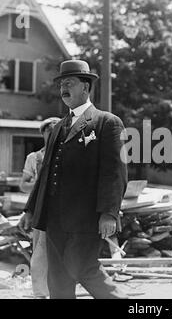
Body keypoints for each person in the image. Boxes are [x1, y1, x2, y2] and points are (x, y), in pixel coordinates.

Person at [19, 60, 128, 299]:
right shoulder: (58, 126)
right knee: (58, 277)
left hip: (85, 218)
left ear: (86, 88)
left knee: (85, 269)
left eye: (69, 83)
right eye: (61, 84)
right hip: (54, 219)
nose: (63, 89)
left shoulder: (107, 122)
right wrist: (30, 210)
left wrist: (109, 213)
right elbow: (46, 172)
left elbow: (115, 172)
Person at [20, 117, 60, 299]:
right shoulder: (35, 157)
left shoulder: (67, 156)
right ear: (43, 134)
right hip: (40, 209)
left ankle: (58, 290)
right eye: (48, 131)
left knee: (61, 251)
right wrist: (40, 184)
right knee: (40, 251)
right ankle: (40, 292)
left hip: (63, 211)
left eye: (56, 131)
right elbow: (23, 185)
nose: (51, 134)